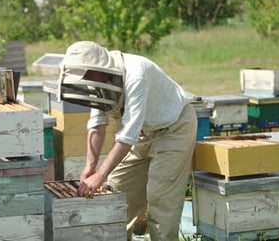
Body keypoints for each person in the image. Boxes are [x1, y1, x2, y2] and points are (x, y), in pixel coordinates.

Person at [57, 41, 197, 241]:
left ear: (100, 66)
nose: (85, 78)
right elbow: (97, 124)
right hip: (144, 132)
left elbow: (127, 136)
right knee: (118, 188)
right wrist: (90, 167)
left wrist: (100, 175)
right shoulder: (99, 82)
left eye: (87, 73)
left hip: (175, 128)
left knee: (160, 196)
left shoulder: (135, 74)